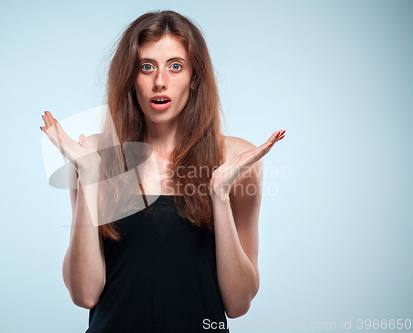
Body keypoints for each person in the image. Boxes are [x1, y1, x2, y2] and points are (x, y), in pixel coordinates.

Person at [40, 10, 285, 333]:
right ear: (131, 78)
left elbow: (238, 303)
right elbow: (84, 294)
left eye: (175, 66)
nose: (159, 81)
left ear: (194, 77)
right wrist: (87, 173)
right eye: (146, 67)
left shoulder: (236, 157)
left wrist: (219, 197)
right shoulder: (95, 153)